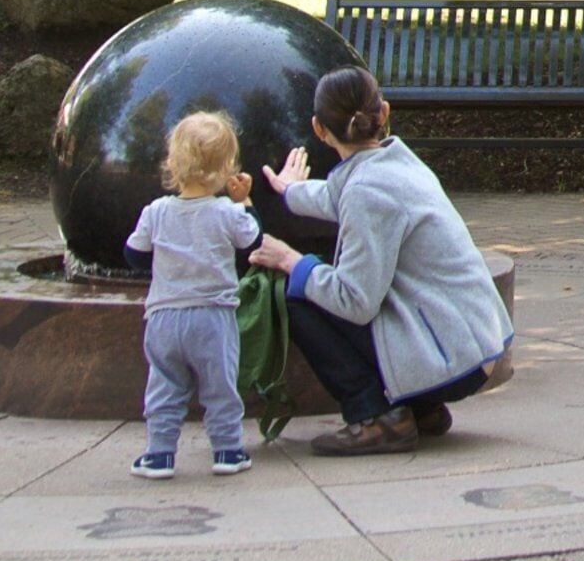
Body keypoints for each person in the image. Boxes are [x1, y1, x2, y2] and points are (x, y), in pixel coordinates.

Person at [249, 67, 511, 456]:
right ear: (384, 113)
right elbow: (339, 195)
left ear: (319, 130)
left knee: (295, 294)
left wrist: (291, 260)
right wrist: (290, 192)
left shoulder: (367, 191)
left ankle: (376, 419)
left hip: (454, 361)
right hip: (474, 345)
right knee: (316, 277)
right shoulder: (396, 161)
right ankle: (422, 408)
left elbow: (355, 302)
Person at [126, 111, 260, 480]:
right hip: (212, 315)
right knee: (220, 386)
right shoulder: (225, 212)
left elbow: (134, 256)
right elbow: (253, 241)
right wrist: (245, 201)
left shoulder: (155, 211)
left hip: (164, 317)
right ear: (226, 168)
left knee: (165, 386)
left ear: (173, 163)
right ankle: (228, 451)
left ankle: (159, 454)